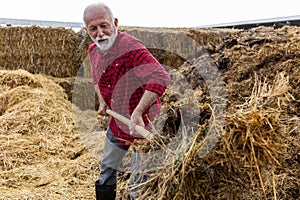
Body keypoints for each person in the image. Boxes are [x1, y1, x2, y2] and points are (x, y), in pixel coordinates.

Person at [83, 3, 171, 200]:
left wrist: (139, 111)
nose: (100, 33)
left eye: (104, 26)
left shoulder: (131, 48)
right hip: (118, 121)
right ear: (86, 31)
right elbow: (96, 78)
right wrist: (103, 102)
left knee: (138, 183)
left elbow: (161, 77)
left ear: (115, 23)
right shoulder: (93, 51)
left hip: (144, 122)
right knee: (106, 168)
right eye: (93, 29)